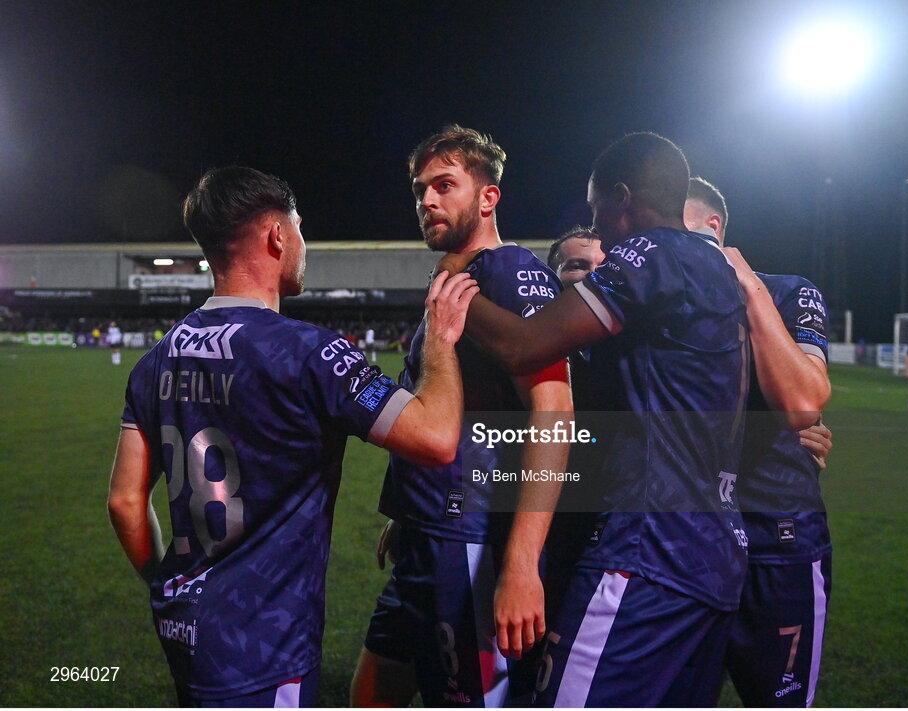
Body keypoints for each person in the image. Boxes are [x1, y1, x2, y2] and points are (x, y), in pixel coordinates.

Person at [107, 166, 478, 708]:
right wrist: (441, 340)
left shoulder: (154, 360)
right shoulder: (311, 354)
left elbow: (123, 501)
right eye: (300, 228)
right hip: (264, 645)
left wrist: (166, 584)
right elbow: (437, 437)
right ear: (277, 235)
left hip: (185, 628)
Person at [439, 132, 753, 707]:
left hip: (648, 548)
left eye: (597, 210)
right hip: (718, 554)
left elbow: (525, 345)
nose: (599, 230)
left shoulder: (655, 253)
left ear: (623, 200)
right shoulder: (719, 271)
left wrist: (452, 289)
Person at [351, 126, 572, 707]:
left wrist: (522, 564)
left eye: (445, 185)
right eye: (420, 189)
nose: (427, 200)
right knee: (372, 693)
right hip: (428, 532)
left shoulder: (507, 270)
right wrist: (408, 510)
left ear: (488, 197)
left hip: (471, 541)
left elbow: (554, 411)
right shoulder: (452, 279)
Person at [684, 176, 833, 707]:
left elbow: (801, 403)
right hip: (683, 545)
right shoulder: (652, 301)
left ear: (711, 227)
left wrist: (747, 286)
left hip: (777, 536)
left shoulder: (790, 291)